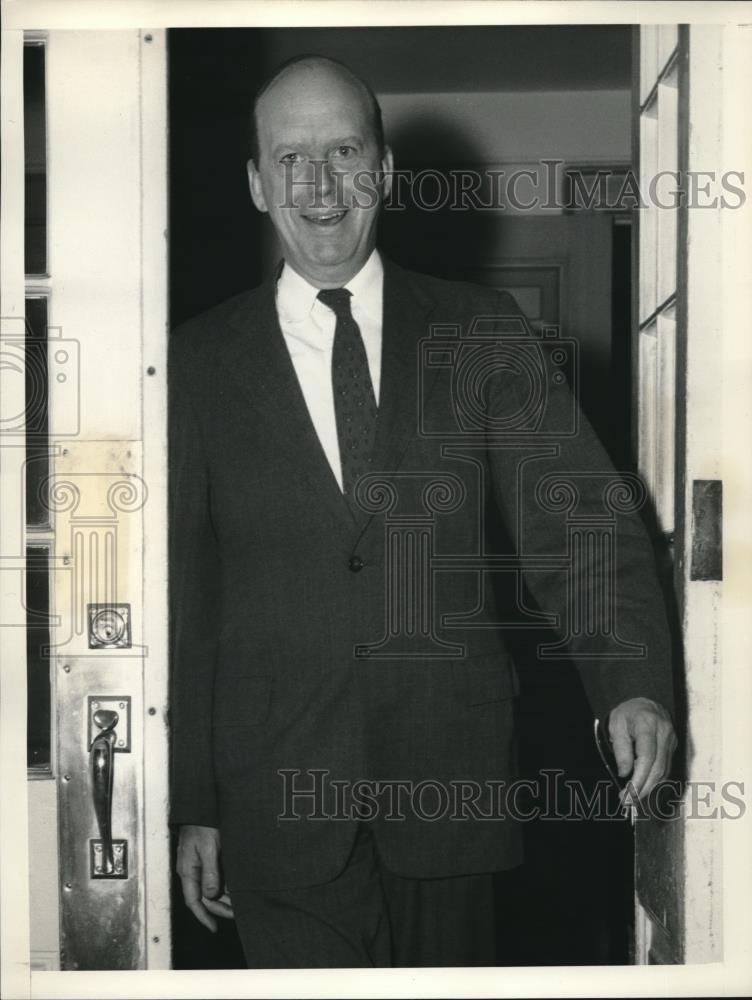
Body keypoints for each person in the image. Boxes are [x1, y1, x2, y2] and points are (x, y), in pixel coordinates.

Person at [169, 54, 677, 968]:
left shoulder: (483, 330)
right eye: (290, 158)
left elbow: (582, 525)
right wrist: (192, 800)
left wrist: (631, 681)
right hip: (274, 803)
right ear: (255, 182)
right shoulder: (193, 366)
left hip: (450, 789)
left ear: (386, 172)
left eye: (344, 151)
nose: (319, 185)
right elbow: (189, 598)